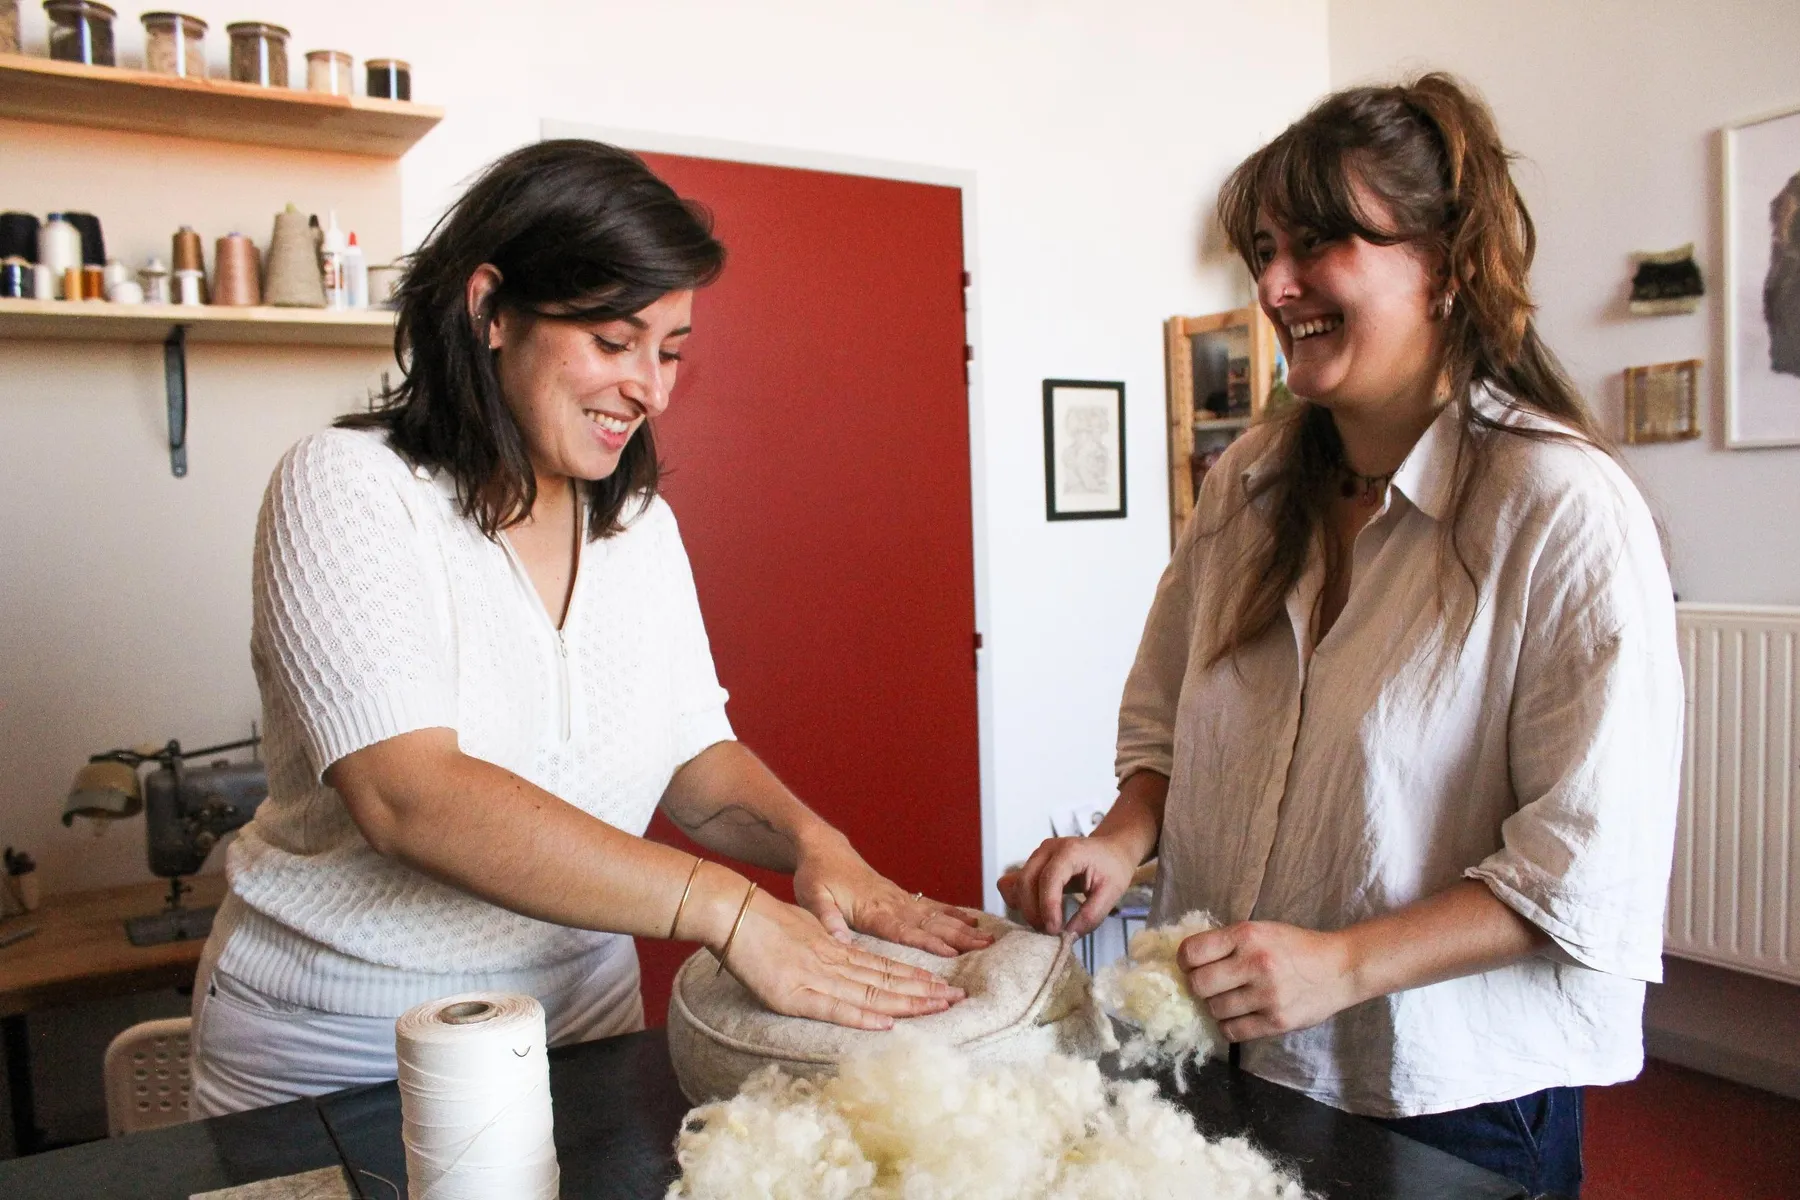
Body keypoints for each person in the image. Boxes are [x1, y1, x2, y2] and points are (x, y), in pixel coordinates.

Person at [192, 140, 989, 1115]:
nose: (652, 391)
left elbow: (694, 757)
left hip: (585, 1029)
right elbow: (410, 797)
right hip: (341, 1052)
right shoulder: (349, 486)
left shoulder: (640, 528)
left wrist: (816, 843)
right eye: (616, 344)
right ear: (490, 311)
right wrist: (732, 911)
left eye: (672, 352)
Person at [1001, 75, 1681, 1196]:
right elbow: (1170, 718)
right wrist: (1123, 840)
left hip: (1448, 1098)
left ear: (1449, 263)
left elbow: (1583, 866)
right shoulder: (1250, 485)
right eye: (1262, 249)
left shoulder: (1560, 510)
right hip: (1233, 1057)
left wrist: (1343, 966)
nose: (1274, 286)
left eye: (1318, 244)